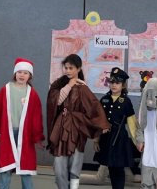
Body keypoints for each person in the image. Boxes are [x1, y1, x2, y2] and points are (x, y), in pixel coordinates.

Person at [47, 54, 110, 189]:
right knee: (59, 167)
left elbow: (94, 107)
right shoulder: (59, 84)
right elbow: (56, 102)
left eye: (71, 68)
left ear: (79, 68)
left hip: (77, 130)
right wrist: (69, 85)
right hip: (61, 128)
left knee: (75, 167)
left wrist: (101, 124)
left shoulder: (82, 87)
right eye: (66, 68)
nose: (68, 71)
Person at [0, 58, 45, 189]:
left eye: (25, 73)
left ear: (30, 76)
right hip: (8, 133)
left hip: (25, 135)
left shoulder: (33, 94)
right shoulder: (5, 90)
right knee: (6, 167)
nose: (22, 75)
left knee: (26, 168)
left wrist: (37, 136)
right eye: (19, 72)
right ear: (15, 73)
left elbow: (37, 117)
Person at [94, 67, 137, 189]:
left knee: (118, 168)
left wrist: (137, 141)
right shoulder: (104, 100)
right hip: (106, 138)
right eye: (112, 82)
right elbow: (99, 121)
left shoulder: (126, 102)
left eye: (117, 83)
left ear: (123, 85)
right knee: (111, 167)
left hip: (120, 139)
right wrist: (96, 140)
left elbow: (132, 123)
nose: (114, 85)